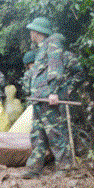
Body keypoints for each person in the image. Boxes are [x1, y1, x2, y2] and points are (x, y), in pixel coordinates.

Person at [22, 17, 71, 179]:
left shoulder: (52, 43)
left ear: (37, 32)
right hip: (39, 98)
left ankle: (64, 168)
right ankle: (34, 168)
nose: (30, 34)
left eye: (31, 31)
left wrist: (54, 91)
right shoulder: (41, 48)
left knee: (54, 132)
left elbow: (55, 67)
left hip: (47, 96)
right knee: (37, 133)